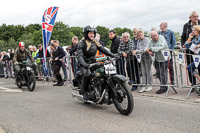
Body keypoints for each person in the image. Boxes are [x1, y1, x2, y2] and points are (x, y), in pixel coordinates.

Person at [76, 25, 116, 100]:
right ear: (86, 34)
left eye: (93, 33)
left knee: (104, 71)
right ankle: (83, 91)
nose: (92, 35)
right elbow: (79, 56)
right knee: (87, 74)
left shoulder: (95, 42)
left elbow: (103, 49)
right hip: (84, 63)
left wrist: (113, 55)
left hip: (93, 62)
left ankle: (103, 89)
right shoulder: (82, 43)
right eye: (90, 33)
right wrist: (84, 64)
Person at [181, 11, 200, 86]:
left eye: (197, 16)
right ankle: (193, 84)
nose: (196, 18)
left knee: (198, 66)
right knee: (190, 66)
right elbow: (183, 37)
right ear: (190, 18)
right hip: (190, 50)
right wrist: (183, 44)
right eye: (194, 17)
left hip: (198, 51)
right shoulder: (186, 26)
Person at [185, 25, 200, 96]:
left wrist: (199, 45)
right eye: (193, 30)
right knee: (189, 67)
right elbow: (186, 46)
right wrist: (189, 38)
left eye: (194, 30)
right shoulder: (194, 39)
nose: (193, 32)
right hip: (197, 58)